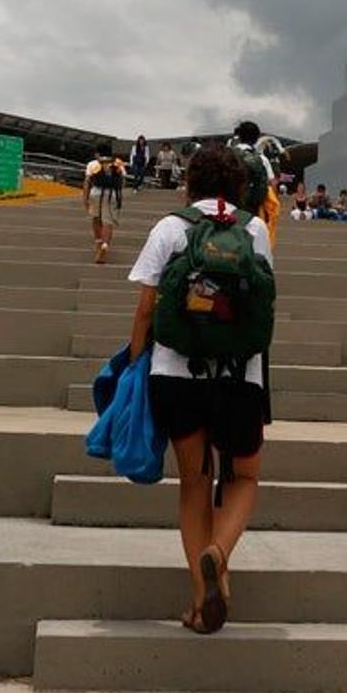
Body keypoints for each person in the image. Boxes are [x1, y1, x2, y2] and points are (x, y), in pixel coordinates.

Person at [126, 144, 272, 633]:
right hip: (239, 375)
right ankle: (219, 552)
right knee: (244, 479)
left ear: (190, 182)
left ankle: (198, 598)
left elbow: (147, 306)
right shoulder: (254, 229)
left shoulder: (171, 227)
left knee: (195, 482)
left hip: (176, 369)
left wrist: (134, 361)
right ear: (238, 186)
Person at [228, 119, 280, 247]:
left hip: (227, 209)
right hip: (253, 211)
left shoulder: (226, 156)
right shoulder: (261, 159)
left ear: (239, 136)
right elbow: (272, 184)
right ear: (257, 138)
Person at [84, 145, 125, 263]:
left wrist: (85, 199)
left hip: (96, 192)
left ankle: (98, 242)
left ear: (98, 154)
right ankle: (105, 245)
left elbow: (87, 182)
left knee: (96, 218)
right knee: (108, 222)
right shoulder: (117, 163)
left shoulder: (93, 164)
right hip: (111, 194)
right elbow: (122, 181)